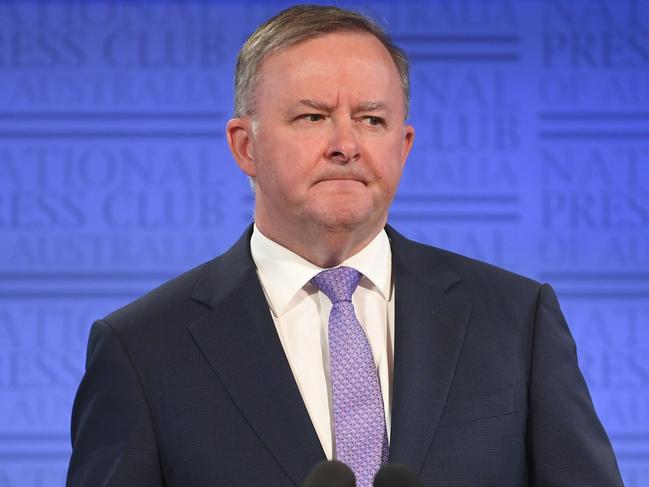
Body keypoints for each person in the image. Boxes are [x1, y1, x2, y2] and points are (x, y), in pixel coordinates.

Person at [66, 5, 624, 487]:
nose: (346, 145)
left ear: (403, 147)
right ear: (245, 146)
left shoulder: (516, 321)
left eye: (372, 120)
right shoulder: (142, 350)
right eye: (312, 117)